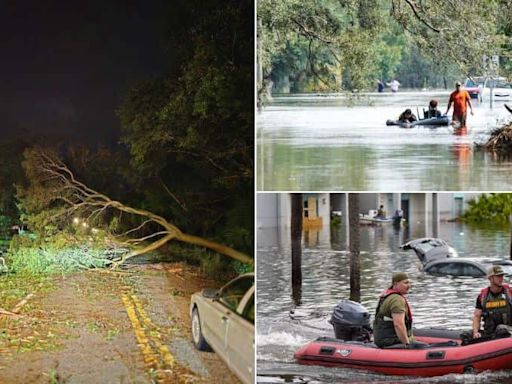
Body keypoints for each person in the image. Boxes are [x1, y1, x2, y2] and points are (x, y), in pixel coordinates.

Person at [373, 272, 426, 348]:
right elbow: (398, 325)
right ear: (396, 284)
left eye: (409, 283)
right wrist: (407, 344)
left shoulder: (388, 296)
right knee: (424, 347)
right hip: (390, 340)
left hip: (382, 339)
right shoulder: (397, 300)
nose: (409, 286)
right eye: (406, 283)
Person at [462, 266, 512, 343]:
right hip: (489, 332)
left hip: (508, 330)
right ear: (490, 278)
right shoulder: (482, 296)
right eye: (498, 276)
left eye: (502, 276)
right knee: (466, 334)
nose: (501, 278)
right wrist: (476, 332)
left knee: (501, 329)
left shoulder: (509, 293)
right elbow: (477, 317)